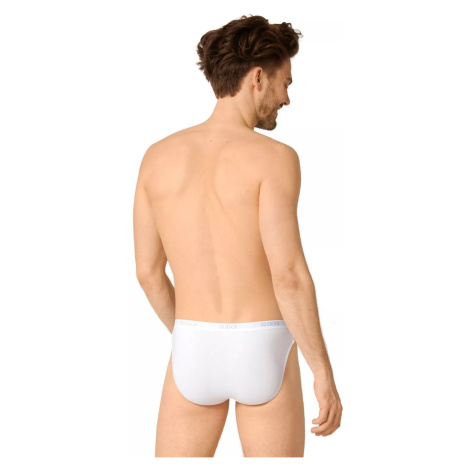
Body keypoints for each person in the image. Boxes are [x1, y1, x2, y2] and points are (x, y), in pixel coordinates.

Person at [133, 14, 342, 458]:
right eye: (285, 83)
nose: (286, 98)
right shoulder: (276, 158)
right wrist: (322, 371)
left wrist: (193, 340)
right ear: (258, 77)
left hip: (192, 344)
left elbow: (148, 274)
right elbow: (288, 276)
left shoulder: (156, 158)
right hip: (262, 343)